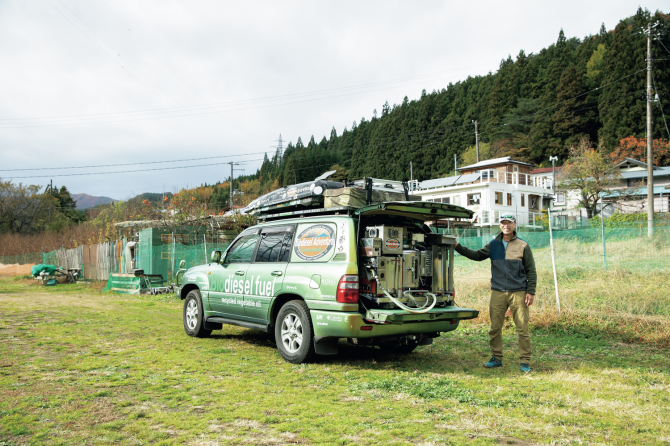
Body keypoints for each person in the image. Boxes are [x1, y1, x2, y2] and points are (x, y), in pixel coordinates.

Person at [454, 213, 536, 373]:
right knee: (495, 328)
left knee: (522, 328)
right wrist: (457, 246)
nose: (506, 225)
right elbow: (476, 255)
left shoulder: (523, 246)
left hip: (518, 292)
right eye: (503, 223)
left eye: (509, 223)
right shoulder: (493, 245)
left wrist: (530, 291)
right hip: (498, 292)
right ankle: (496, 358)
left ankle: (525, 362)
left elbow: (531, 270)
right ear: (500, 226)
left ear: (514, 225)